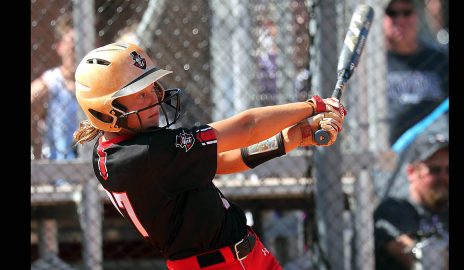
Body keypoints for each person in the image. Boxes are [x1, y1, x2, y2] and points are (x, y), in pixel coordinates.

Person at [72, 42, 346, 269]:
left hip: (238, 257)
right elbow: (246, 127)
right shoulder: (147, 154)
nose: (154, 100)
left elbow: (221, 162)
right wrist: (313, 106)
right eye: (139, 96)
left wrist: (288, 140)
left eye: (151, 89)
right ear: (106, 111)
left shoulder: (112, 151)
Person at [374, 130, 449, 270]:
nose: (444, 177)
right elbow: (413, 256)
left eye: (448, 170)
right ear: (412, 172)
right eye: (434, 170)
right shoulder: (394, 210)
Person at [383, 0, 449, 146]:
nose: (400, 20)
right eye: (392, 13)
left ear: (417, 17)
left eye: (407, 13)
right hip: (390, 151)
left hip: (435, 150)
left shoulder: (439, 60)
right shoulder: (374, 64)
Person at [31, 13, 78, 160]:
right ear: (60, 47)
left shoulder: (97, 83)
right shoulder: (51, 82)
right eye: (72, 43)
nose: (77, 49)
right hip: (60, 172)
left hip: (96, 171)